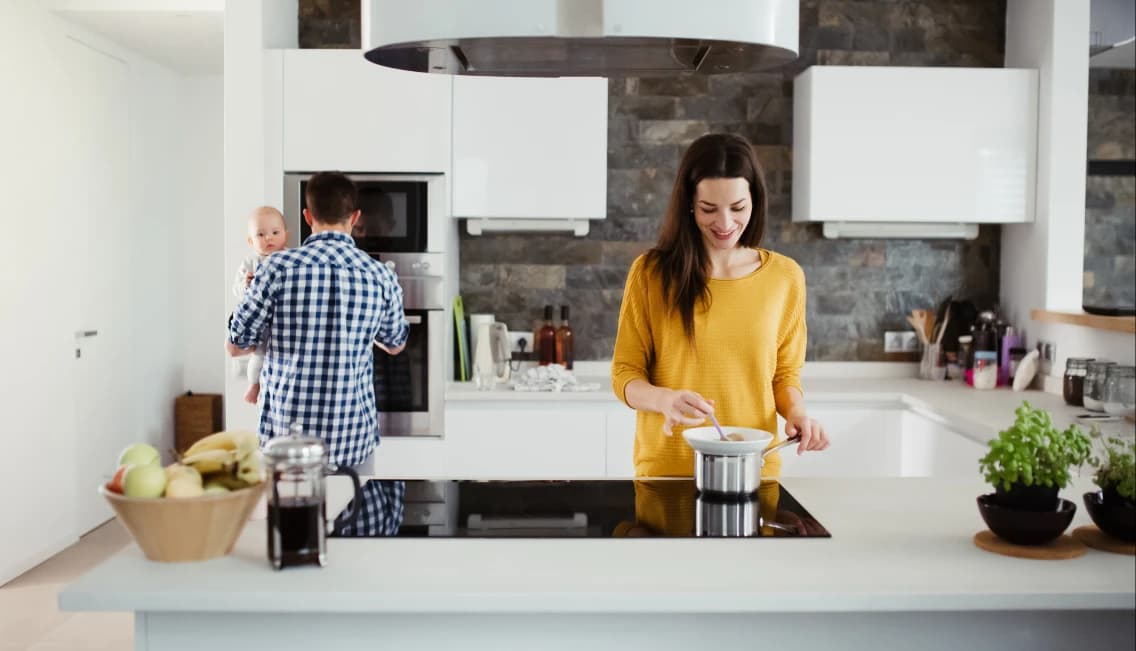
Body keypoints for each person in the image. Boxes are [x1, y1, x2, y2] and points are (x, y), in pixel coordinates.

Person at [610, 133, 829, 479]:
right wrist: (663, 400)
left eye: (738, 208)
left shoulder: (785, 277)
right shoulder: (650, 273)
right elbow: (625, 373)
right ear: (689, 204)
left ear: (755, 201)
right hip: (668, 469)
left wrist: (797, 414)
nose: (725, 224)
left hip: (754, 467)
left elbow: (784, 374)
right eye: (709, 209)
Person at [227, 172, 409, 473]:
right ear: (354, 216)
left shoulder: (275, 268)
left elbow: (237, 343)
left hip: (287, 440)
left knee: (292, 520)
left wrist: (247, 297)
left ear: (308, 216)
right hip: (352, 440)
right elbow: (395, 344)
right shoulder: (381, 275)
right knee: (351, 517)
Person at [231, 206, 288, 405]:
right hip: (259, 320)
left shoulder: (289, 260)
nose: (269, 238)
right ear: (250, 241)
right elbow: (236, 290)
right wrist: (245, 286)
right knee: (259, 355)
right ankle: (254, 385)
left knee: (278, 354)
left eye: (275, 233)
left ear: (285, 235)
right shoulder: (250, 262)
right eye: (260, 235)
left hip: (282, 320)